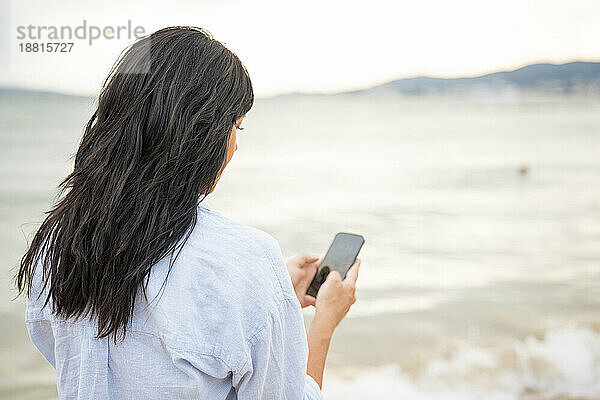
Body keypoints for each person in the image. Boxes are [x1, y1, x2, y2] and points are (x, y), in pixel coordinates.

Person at [16, 26, 360, 399]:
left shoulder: (56, 244)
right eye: (236, 127)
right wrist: (323, 323)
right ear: (201, 134)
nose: (235, 146)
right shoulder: (245, 262)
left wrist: (275, 304)